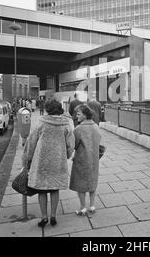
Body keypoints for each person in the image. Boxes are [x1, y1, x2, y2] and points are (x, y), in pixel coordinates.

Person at [22, 98, 75, 228]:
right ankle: (53, 216)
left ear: (47, 109)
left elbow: (32, 141)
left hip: (41, 162)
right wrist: (66, 155)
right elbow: (70, 144)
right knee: (54, 188)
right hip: (58, 161)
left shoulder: (41, 122)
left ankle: (44, 217)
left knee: (42, 190)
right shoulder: (66, 124)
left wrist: (27, 158)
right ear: (60, 109)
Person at [69, 104, 101, 216]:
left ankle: (83, 208)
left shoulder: (78, 129)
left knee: (81, 184)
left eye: (78, 114)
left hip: (82, 160)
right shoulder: (96, 127)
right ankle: (92, 206)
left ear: (85, 114)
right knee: (92, 181)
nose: (76, 116)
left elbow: (74, 145)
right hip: (94, 160)